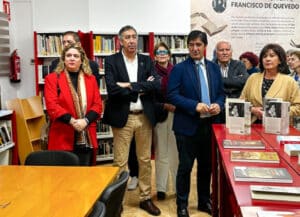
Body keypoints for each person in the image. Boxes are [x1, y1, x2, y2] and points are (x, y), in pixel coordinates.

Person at [102, 25, 161, 216]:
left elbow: (155, 84)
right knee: (119, 162)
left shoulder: (146, 60)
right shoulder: (111, 61)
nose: (132, 40)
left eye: (134, 37)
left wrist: (128, 85)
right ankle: (116, 202)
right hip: (123, 118)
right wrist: (140, 87)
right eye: (127, 37)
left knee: (144, 160)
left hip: (144, 117)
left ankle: (145, 198)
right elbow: (112, 89)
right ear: (120, 40)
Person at [167, 30, 225, 217]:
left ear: (205, 46)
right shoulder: (179, 69)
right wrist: (195, 105)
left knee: (206, 167)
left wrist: (219, 104)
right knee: (185, 167)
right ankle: (182, 205)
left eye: (198, 44)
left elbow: (221, 94)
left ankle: (203, 201)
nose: (194, 48)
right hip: (187, 127)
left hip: (210, 127)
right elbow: (172, 95)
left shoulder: (214, 68)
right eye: (191, 45)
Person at [44, 43, 102, 166]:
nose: (72, 58)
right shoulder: (52, 78)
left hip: (86, 136)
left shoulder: (90, 79)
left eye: (76, 56)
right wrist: (72, 122)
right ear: (63, 59)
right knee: (62, 177)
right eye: (68, 55)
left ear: (81, 60)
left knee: (84, 176)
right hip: (62, 135)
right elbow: (52, 106)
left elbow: (97, 105)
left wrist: (85, 121)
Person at [240, 43, 300, 124]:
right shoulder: (253, 78)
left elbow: (298, 107)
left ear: (280, 60)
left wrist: (278, 111)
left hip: (279, 127)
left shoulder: (289, 81)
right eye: (264, 56)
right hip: (254, 125)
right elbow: (241, 102)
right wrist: (252, 109)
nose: (267, 59)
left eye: (272, 56)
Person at [153, 42, 178, 201]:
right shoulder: (150, 72)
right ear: (155, 56)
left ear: (169, 55)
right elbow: (147, 98)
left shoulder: (176, 71)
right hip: (160, 114)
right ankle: (161, 188)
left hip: (177, 115)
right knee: (161, 152)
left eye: (164, 52)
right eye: (158, 52)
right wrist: (164, 106)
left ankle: (177, 186)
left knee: (176, 153)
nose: (162, 54)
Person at [214, 40, 249, 122]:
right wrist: (234, 81)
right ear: (216, 52)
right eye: (221, 50)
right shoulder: (211, 66)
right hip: (217, 107)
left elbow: (244, 81)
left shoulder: (239, 64)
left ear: (231, 52)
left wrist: (220, 80)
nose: (225, 53)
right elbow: (211, 85)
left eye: (227, 50)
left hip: (236, 105)